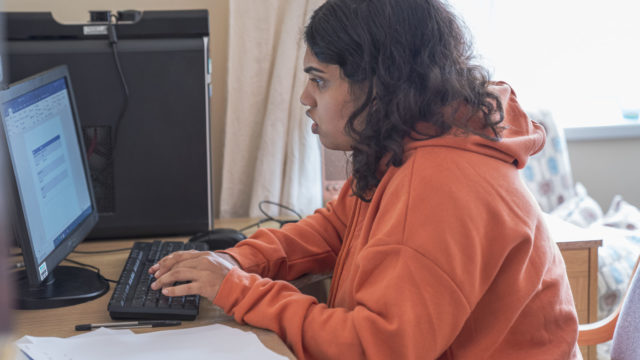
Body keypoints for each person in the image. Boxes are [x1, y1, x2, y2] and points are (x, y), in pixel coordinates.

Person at [150, 0, 581, 358]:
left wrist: (240, 292)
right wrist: (238, 262)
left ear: (380, 85)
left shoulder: (437, 185)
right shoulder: (412, 140)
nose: (305, 98)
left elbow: (375, 348)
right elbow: (336, 227)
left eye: (319, 81)